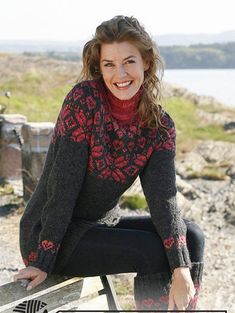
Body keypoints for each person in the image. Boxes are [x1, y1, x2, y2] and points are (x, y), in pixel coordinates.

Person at [14, 15, 205, 311]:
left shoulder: (159, 126)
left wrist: (181, 266)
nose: (120, 74)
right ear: (98, 67)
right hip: (52, 234)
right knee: (150, 251)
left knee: (191, 236)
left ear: (147, 62)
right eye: (109, 64)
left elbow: (163, 199)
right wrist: (42, 259)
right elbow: (62, 186)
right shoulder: (84, 102)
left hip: (102, 225)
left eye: (129, 61)